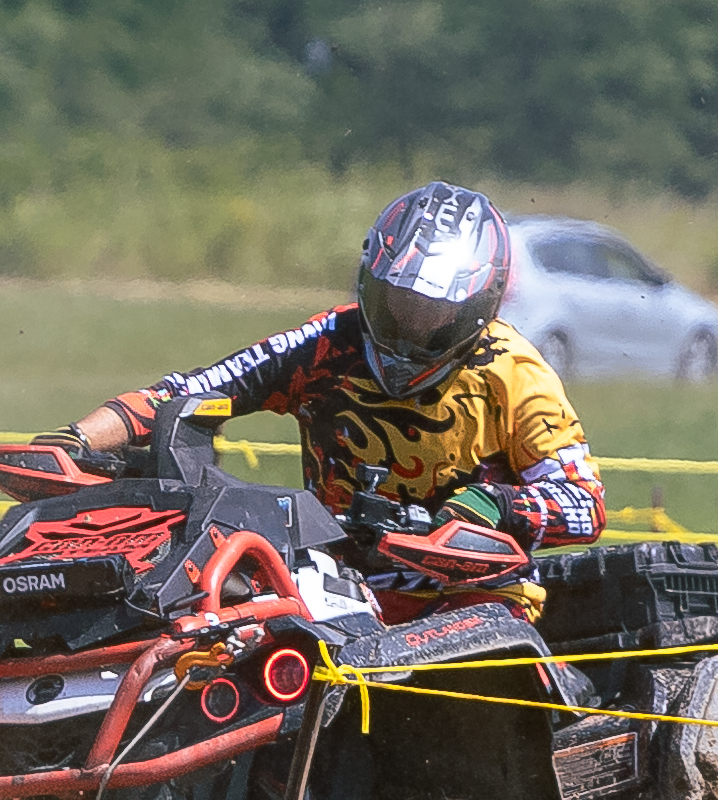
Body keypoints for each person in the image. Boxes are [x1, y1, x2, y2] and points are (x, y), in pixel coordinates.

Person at [61, 180, 599, 620]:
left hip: (477, 600)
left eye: (433, 313)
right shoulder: (331, 341)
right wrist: (79, 440)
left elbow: (586, 504)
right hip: (337, 589)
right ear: (370, 282)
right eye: (396, 302)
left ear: (478, 304)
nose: (410, 326)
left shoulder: (514, 370)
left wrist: (496, 505)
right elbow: (196, 388)